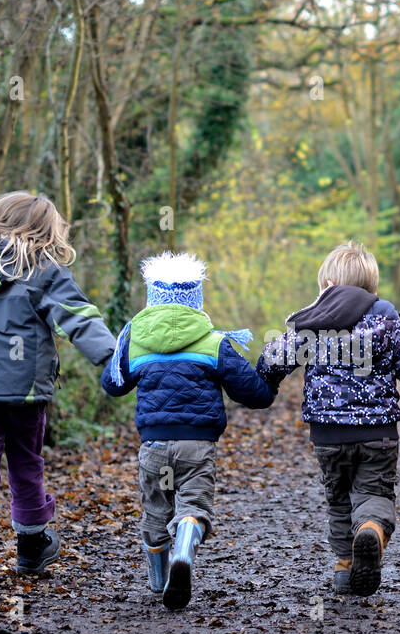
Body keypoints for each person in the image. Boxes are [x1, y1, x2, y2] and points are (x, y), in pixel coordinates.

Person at [0, 191, 116, 580]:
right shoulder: (42, 269)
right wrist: (114, 358)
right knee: (26, 462)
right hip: (24, 387)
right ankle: (31, 547)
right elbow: (77, 317)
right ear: (44, 231)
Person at [256, 242, 400, 596]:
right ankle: (370, 528)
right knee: (374, 491)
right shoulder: (385, 316)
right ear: (371, 286)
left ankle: (344, 568)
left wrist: (263, 384)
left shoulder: (312, 319)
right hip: (378, 432)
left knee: (338, 497)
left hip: (327, 435)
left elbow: (272, 361)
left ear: (327, 283)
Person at [102, 252, 273, 610]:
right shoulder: (214, 342)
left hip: (155, 446)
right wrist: (271, 376)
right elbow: (254, 393)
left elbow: (112, 385)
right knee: (193, 504)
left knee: (156, 510)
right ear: (197, 300)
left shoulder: (135, 341)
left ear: (152, 298)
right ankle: (185, 545)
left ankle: (158, 579)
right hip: (197, 446)